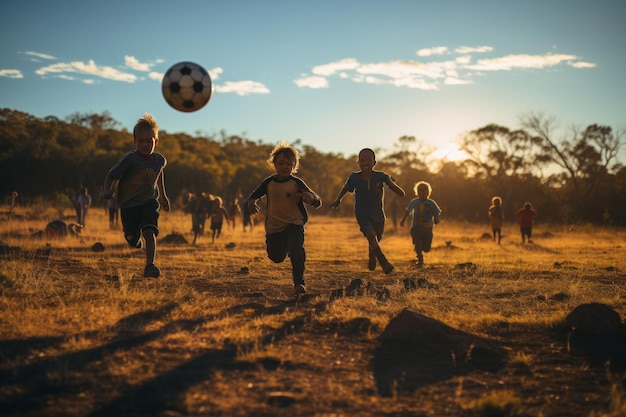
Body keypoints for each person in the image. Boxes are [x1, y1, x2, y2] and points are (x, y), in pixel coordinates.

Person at [248, 141, 322, 295]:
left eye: (289, 163)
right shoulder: (268, 182)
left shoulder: (296, 182)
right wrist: (252, 203)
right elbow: (253, 196)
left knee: (297, 249)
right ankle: (288, 246)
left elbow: (317, 200)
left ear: (294, 166)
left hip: (294, 223)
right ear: (274, 164)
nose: (285, 166)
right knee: (275, 257)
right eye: (281, 163)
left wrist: (309, 198)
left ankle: (299, 283)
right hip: (274, 227)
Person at [103, 113, 170, 278]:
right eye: (141, 141)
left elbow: (158, 173)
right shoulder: (130, 159)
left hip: (149, 202)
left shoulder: (159, 160)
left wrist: (162, 195)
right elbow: (111, 175)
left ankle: (150, 265)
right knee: (132, 238)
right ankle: (135, 239)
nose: (145, 144)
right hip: (129, 205)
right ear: (135, 141)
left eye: (149, 141)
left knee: (149, 231)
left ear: (156, 141)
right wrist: (108, 190)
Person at [330, 148, 405, 274]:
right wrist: (338, 199)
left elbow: (402, 194)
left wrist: (390, 183)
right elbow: (345, 188)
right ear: (358, 162)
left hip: (379, 216)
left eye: (369, 160)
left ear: (374, 162)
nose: (365, 163)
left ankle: (372, 254)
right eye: (362, 160)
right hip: (362, 213)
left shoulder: (381, 177)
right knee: (371, 235)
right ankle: (384, 262)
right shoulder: (354, 177)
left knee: (375, 239)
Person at [400, 181, 441, 267]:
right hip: (416, 228)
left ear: (428, 192)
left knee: (426, 249)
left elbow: (437, 213)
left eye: (424, 190)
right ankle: (420, 259)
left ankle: (420, 249)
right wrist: (403, 220)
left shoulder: (431, 203)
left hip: (428, 229)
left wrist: (437, 219)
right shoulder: (414, 202)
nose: (422, 192)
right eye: (420, 190)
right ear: (417, 192)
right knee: (418, 243)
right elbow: (408, 211)